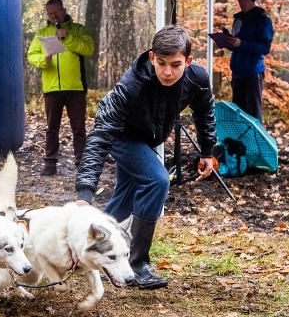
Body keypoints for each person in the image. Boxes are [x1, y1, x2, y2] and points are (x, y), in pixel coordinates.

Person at [75, 25, 216, 290]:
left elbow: (205, 111)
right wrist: (85, 193)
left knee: (125, 201)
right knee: (156, 180)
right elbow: (100, 137)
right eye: (161, 63)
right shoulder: (132, 85)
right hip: (121, 135)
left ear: (188, 61)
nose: (167, 72)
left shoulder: (197, 78)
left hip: (148, 138)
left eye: (175, 65)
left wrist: (207, 151)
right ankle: (138, 264)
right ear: (152, 57)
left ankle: (84, 247)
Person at [27, 0, 94, 176]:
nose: (54, 17)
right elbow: (31, 55)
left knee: (79, 128)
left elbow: (88, 49)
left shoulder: (77, 29)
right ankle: (50, 164)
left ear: (63, 10)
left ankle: (82, 164)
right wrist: (43, 60)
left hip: (75, 87)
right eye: (50, 14)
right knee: (51, 128)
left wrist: (69, 38)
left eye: (56, 12)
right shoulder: (42, 33)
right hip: (51, 88)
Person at [222, 0, 273, 124]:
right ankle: (239, 144)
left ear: (252, 0)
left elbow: (265, 47)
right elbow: (236, 44)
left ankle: (256, 144)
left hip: (252, 71)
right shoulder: (238, 19)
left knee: (253, 113)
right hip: (237, 72)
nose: (241, 2)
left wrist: (242, 44)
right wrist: (228, 42)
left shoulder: (262, 20)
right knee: (238, 113)